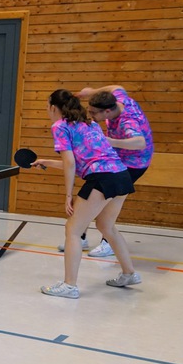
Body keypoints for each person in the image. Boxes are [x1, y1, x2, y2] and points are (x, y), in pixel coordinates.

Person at [32, 89, 139, 299]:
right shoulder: (90, 124)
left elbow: (71, 163)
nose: (47, 110)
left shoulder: (60, 126)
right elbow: (78, 162)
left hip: (102, 179)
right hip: (121, 175)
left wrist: (68, 195)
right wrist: (46, 162)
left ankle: (69, 285)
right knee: (106, 226)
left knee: (73, 229)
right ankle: (129, 273)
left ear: (53, 107)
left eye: (46, 106)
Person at [64, 85, 153, 258]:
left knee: (108, 201)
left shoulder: (128, 121)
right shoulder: (119, 98)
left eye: (93, 113)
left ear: (107, 111)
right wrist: (92, 92)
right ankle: (80, 236)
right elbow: (117, 87)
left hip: (134, 163)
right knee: (92, 193)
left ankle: (108, 242)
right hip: (115, 158)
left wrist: (109, 141)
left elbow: (140, 142)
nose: (90, 116)